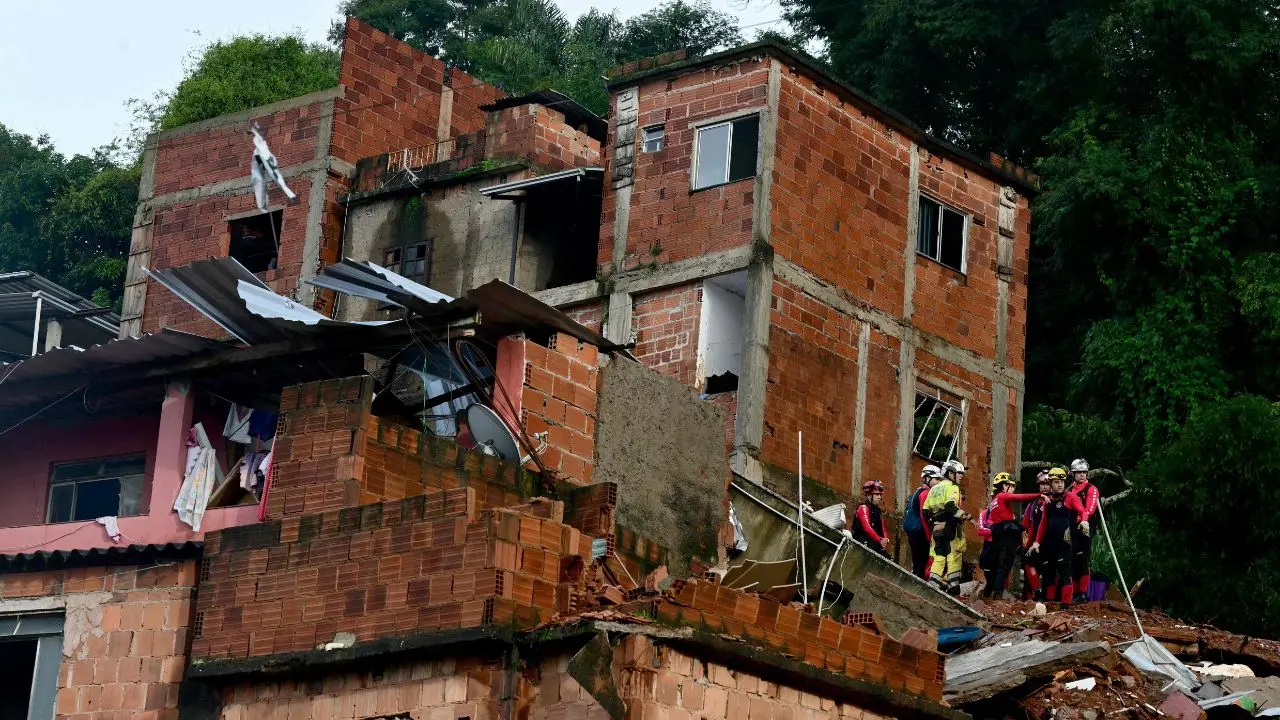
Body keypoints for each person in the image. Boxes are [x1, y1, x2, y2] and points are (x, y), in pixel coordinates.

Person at [1029, 467, 1086, 607]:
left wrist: (1084, 520)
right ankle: (1048, 602)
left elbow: (1082, 510)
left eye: (1062, 481)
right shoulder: (1047, 501)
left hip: (1064, 541)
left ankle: (1065, 606)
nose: (1060, 484)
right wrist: (1036, 542)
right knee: (1048, 574)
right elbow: (1043, 524)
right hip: (1049, 542)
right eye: (1056, 482)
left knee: (1065, 574)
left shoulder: (1070, 497)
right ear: (1051, 483)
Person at [980, 472, 1043, 600]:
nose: (1013, 489)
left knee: (998, 566)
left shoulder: (994, 502)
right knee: (1003, 566)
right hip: (1007, 535)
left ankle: (989, 594)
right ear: (1004, 486)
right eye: (1011, 486)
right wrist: (1039, 495)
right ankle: (997, 596)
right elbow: (1021, 497)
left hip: (998, 535)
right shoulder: (1002, 496)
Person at [924, 459, 969, 595]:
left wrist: (934, 524)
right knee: (954, 556)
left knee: (938, 557)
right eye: (959, 473)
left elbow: (925, 511)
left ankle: (932, 586)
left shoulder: (934, 489)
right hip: (951, 527)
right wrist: (966, 516)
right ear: (950, 473)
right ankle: (953, 588)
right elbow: (950, 506)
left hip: (937, 528)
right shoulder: (953, 487)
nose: (961, 476)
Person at [1067, 458, 1100, 603]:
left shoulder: (1091, 489)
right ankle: (1073, 593)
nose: (1082, 475)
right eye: (1078, 472)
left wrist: (1084, 520)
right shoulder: (1068, 489)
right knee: (1071, 560)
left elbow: (1090, 508)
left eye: (1084, 472)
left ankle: (1083, 593)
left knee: (1081, 559)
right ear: (1073, 473)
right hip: (1069, 529)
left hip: (1084, 527)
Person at [903, 465, 940, 578]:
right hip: (920, 532)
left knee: (917, 563)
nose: (938, 482)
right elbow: (924, 516)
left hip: (913, 532)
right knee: (921, 565)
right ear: (927, 478)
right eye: (936, 479)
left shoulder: (917, 491)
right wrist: (929, 537)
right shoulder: (925, 493)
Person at [1021, 471, 1052, 600]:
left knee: (1049, 571)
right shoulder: (1032, 504)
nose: (1045, 487)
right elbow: (1026, 525)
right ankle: (1033, 594)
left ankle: (1047, 597)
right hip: (1034, 542)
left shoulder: (1054, 501)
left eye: (1047, 484)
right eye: (1042, 484)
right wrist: (1024, 544)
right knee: (1029, 564)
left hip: (1050, 541)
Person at [851, 480, 890, 556]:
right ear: (869, 495)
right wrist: (880, 540)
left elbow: (883, 528)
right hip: (862, 544)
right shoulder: (863, 507)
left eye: (880, 495)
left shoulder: (878, 510)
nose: (879, 497)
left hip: (876, 544)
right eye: (877, 494)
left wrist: (885, 539)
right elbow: (867, 527)